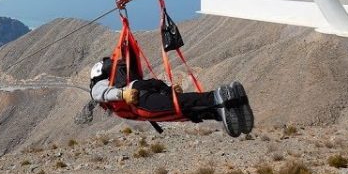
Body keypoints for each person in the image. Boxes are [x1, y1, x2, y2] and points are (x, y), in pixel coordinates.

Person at [89, 57, 254, 137]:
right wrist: (168, 90)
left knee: (180, 106)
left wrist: (122, 94)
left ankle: (217, 97)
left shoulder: (99, 84)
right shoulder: (118, 77)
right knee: (182, 111)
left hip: (140, 99)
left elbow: (99, 94)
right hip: (147, 87)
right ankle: (229, 107)